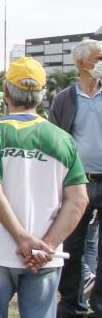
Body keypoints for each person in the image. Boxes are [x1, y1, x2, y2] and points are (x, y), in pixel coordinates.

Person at [0, 57, 88, 318]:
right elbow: (78, 200)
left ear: (5, 92)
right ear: (43, 94)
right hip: (46, 255)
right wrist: (46, 245)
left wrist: (22, 238)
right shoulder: (63, 139)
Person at [50, 39, 102, 316]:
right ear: (81, 63)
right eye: (99, 57)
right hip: (78, 182)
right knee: (73, 245)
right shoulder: (64, 99)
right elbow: (55, 141)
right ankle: (72, 304)